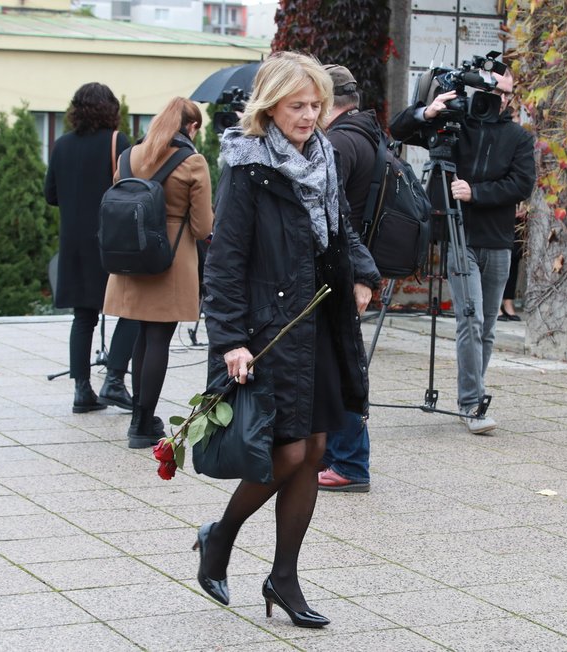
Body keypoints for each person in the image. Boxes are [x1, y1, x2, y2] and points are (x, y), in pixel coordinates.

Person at [198, 51, 379, 629]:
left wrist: (364, 275)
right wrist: (230, 339)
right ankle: (219, 536)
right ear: (270, 104)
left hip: (320, 326)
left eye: (316, 105)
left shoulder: (322, 156)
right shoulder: (246, 168)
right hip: (268, 329)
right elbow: (224, 261)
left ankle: (284, 577)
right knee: (289, 450)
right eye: (298, 105)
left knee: (317, 448)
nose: (309, 115)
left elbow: (341, 229)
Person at [390, 67, 536, 435]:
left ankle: (474, 395)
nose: (498, 98)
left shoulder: (518, 136)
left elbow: (522, 182)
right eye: (492, 90)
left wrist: (477, 192)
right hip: (458, 237)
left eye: (505, 93)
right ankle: (472, 402)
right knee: (469, 319)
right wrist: (428, 111)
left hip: (498, 241)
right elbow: (398, 130)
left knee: (486, 326)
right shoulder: (454, 127)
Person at [103, 97, 213, 449]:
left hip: (130, 255)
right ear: (192, 127)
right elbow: (201, 227)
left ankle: (141, 415)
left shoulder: (128, 156)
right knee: (159, 339)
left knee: (141, 335)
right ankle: (141, 423)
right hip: (171, 258)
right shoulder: (193, 161)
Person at [44, 82, 139, 414]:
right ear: (111, 109)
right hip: (110, 240)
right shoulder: (117, 142)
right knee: (132, 310)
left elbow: (50, 195)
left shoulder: (61, 145)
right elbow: (130, 188)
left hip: (73, 242)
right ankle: (114, 378)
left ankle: (82, 390)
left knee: (82, 317)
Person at [316, 63, 380, 493]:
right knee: (339, 366)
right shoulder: (370, 133)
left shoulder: (338, 141)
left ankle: (349, 463)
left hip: (342, 267)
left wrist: (359, 273)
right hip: (353, 264)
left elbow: (336, 218)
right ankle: (335, 457)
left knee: (338, 369)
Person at [498, 202, 527, 322]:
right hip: (498, 213)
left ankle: (508, 302)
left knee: (514, 257)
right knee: (497, 258)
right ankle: (495, 303)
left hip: (517, 217)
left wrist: (527, 208)